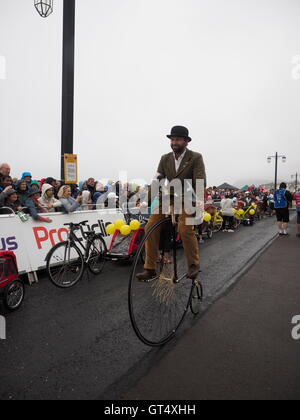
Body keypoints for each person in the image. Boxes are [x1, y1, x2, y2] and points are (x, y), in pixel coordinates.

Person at [136, 125, 206, 281]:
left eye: (178, 139)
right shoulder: (164, 158)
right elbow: (157, 181)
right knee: (149, 226)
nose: (175, 142)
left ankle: (193, 264)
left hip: (187, 198)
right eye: (172, 139)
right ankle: (150, 267)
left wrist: (199, 198)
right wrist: (146, 201)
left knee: (184, 227)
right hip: (168, 198)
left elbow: (200, 179)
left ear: (186, 142)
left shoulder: (195, 157)